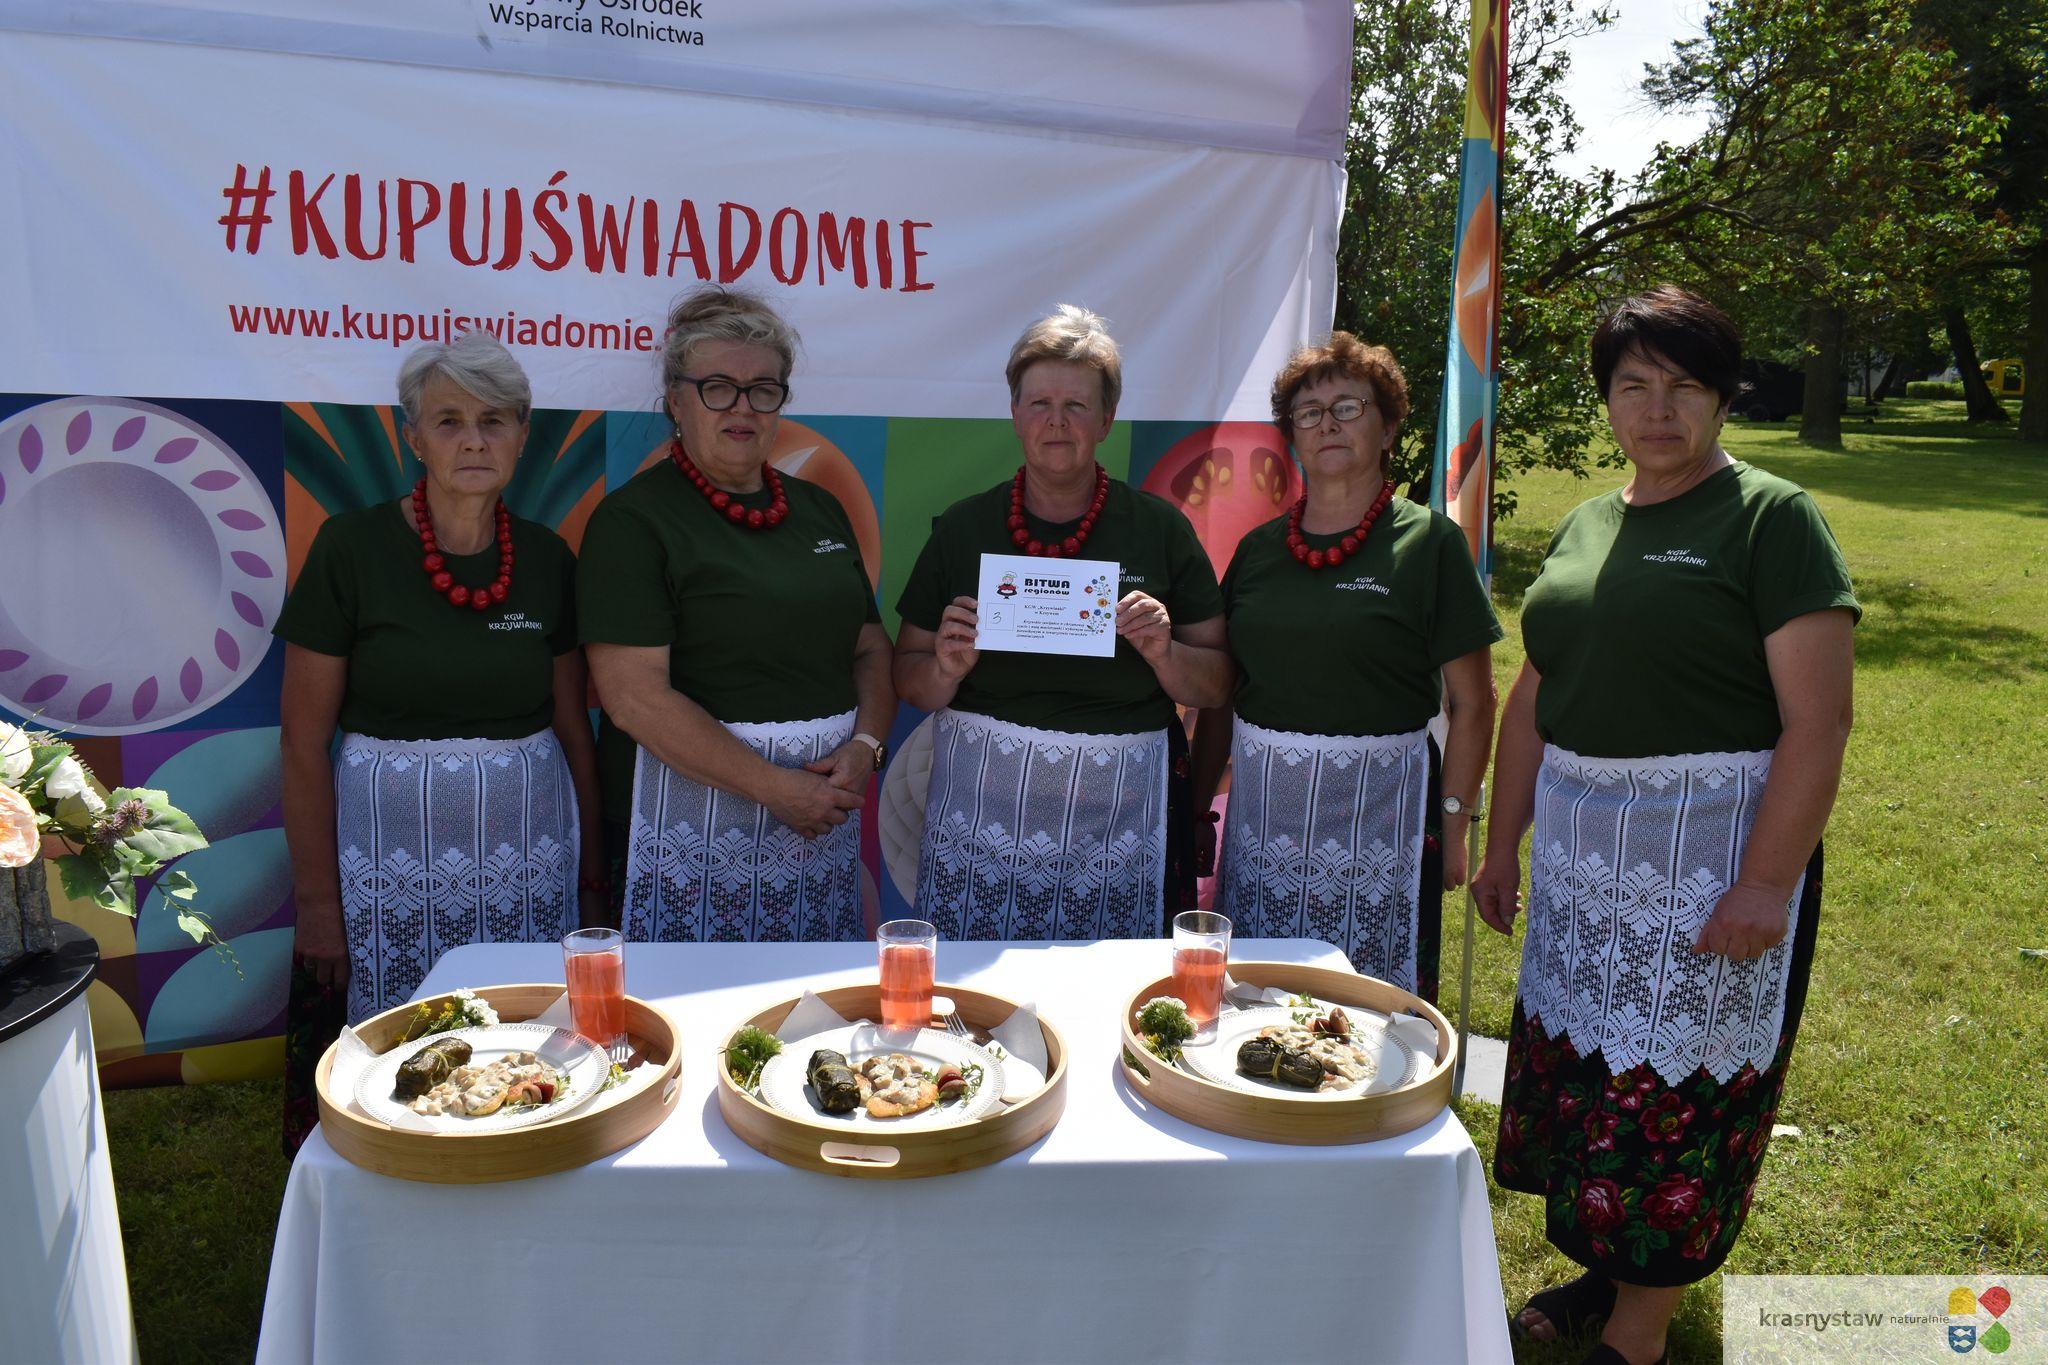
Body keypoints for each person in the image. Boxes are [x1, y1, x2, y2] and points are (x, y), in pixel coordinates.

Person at [1470, 285, 1858, 1365]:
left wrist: (1765, 883)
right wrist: (1501, 845)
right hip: (1587, 860)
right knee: (1597, 1080)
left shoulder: (1771, 519)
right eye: (1632, 384)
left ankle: (1637, 1333)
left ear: (1723, 397)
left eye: (1683, 386)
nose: (1656, 409)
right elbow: (1534, 691)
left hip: (1707, 860)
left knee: (1675, 1090)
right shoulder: (1589, 520)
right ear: (1605, 399)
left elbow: (1818, 722)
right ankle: (1606, 1276)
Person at [278, 331, 602, 1026]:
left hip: (528, 864)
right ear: (414, 439)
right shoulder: (350, 548)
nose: (474, 441)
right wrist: (318, 905)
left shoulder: (548, 559)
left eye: (494, 420)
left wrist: (593, 881)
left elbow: (575, 728)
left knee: (527, 1037)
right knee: (397, 1043)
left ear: (522, 435)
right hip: (387, 869)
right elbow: (302, 743)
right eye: (449, 421)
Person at [894, 305, 1233, 938]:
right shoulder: (964, 526)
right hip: (984, 820)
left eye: (1076, 405)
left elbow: (1216, 683)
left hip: (1120, 822)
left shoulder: (1159, 529)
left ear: (1106, 419)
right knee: (974, 991)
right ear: (1015, 413)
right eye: (1040, 403)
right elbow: (908, 679)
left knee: (1111, 984)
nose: (1056, 421)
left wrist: (1166, 654)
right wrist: (943, 668)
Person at [1188, 333, 1499, 1001]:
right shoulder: (1258, 551)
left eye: (1348, 407)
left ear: (1387, 429)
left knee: (1373, 1013)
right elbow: (1221, 695)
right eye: (1309, 412)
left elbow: (1475, 703)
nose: (1327, 424)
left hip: (1383, 822)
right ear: (1292, 438)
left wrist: (1454, 822)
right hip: (1264, 825)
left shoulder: (1430, 544)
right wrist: (1195, 808)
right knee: (1256, 1004)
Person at [579, 286, 893, 942]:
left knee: (808, 998)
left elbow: (870, 648)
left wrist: (865, 748)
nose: (742, 407)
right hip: (684, 836)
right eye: (718, 388)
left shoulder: (819, 508)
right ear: (676, 400)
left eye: (762, 389)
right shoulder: (633, 521)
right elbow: (633, 699)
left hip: (819, 824)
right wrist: (776, 788)